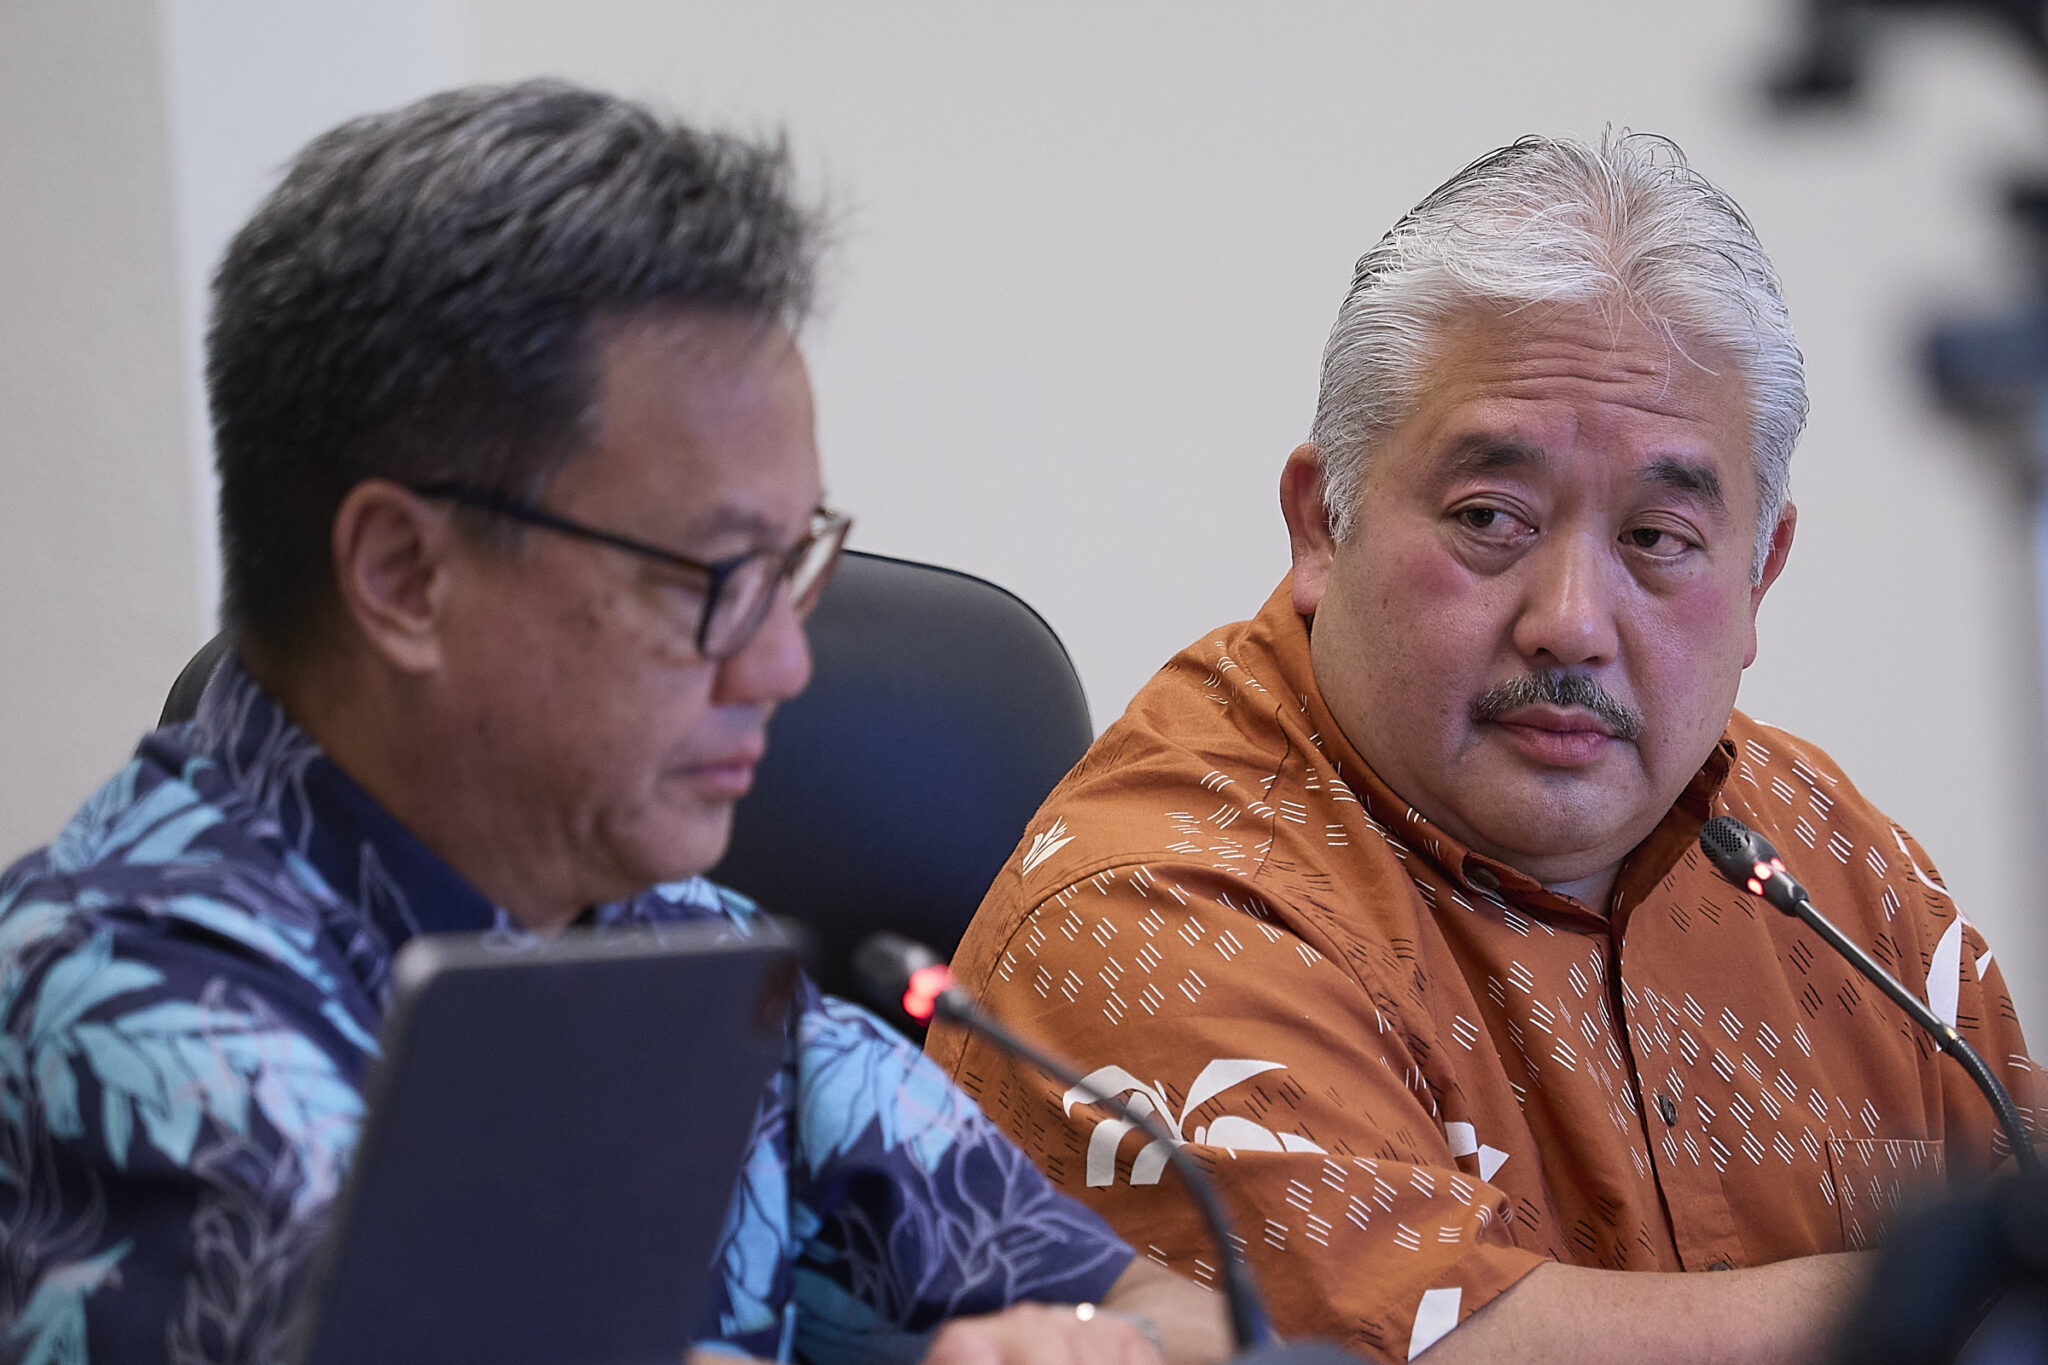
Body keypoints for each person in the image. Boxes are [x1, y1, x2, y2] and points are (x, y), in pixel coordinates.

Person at [0, 81, 1228, 1365]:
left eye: (791, 563)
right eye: (715, 576)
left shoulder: (664, 933)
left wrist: (1115, 1347)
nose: (783, 663)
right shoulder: (122, 1006)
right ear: (405, 577)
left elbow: (1160, 1300)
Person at [928, 132, 2045, 1365]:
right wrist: (1948, 1304)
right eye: (1488, 519)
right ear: (1320, 524)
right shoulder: (1151, 910)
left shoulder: (1829, 867)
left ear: (1757, 577)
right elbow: (1424, 1352)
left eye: (1656, 539)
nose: (1569, 621)